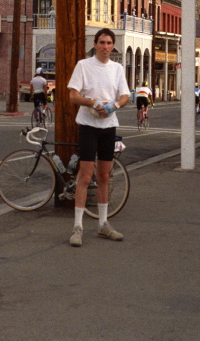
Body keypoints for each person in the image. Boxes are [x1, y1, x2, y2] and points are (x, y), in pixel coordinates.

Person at [66, 28, 130, 247]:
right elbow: (73, 95)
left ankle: (103, 224)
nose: (105, 46)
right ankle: (77, 227)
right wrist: (93, 103)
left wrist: (114, 105)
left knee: (104, 175)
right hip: (88, 125)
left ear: (113, 46)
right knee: (85, 176)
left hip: (108, 126)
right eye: (102, 42)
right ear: (95, 44)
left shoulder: (117, 68)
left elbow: (125, 96)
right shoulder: (84, 66)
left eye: (109, 43)